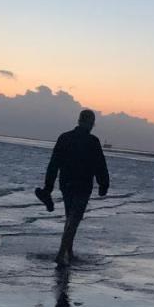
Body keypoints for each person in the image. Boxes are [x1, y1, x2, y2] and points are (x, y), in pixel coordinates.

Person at [35, 109, 110, 267]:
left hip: (66, 183)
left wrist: (48, 187)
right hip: (83, 185)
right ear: (91, 124)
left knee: (71, 217)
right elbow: (100, 165)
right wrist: (104, 184)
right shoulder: (93, 141)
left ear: (78, 120)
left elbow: (53, 164)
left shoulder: (65, 137)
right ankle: (61, 254)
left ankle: (69, 252)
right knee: (74, 219)